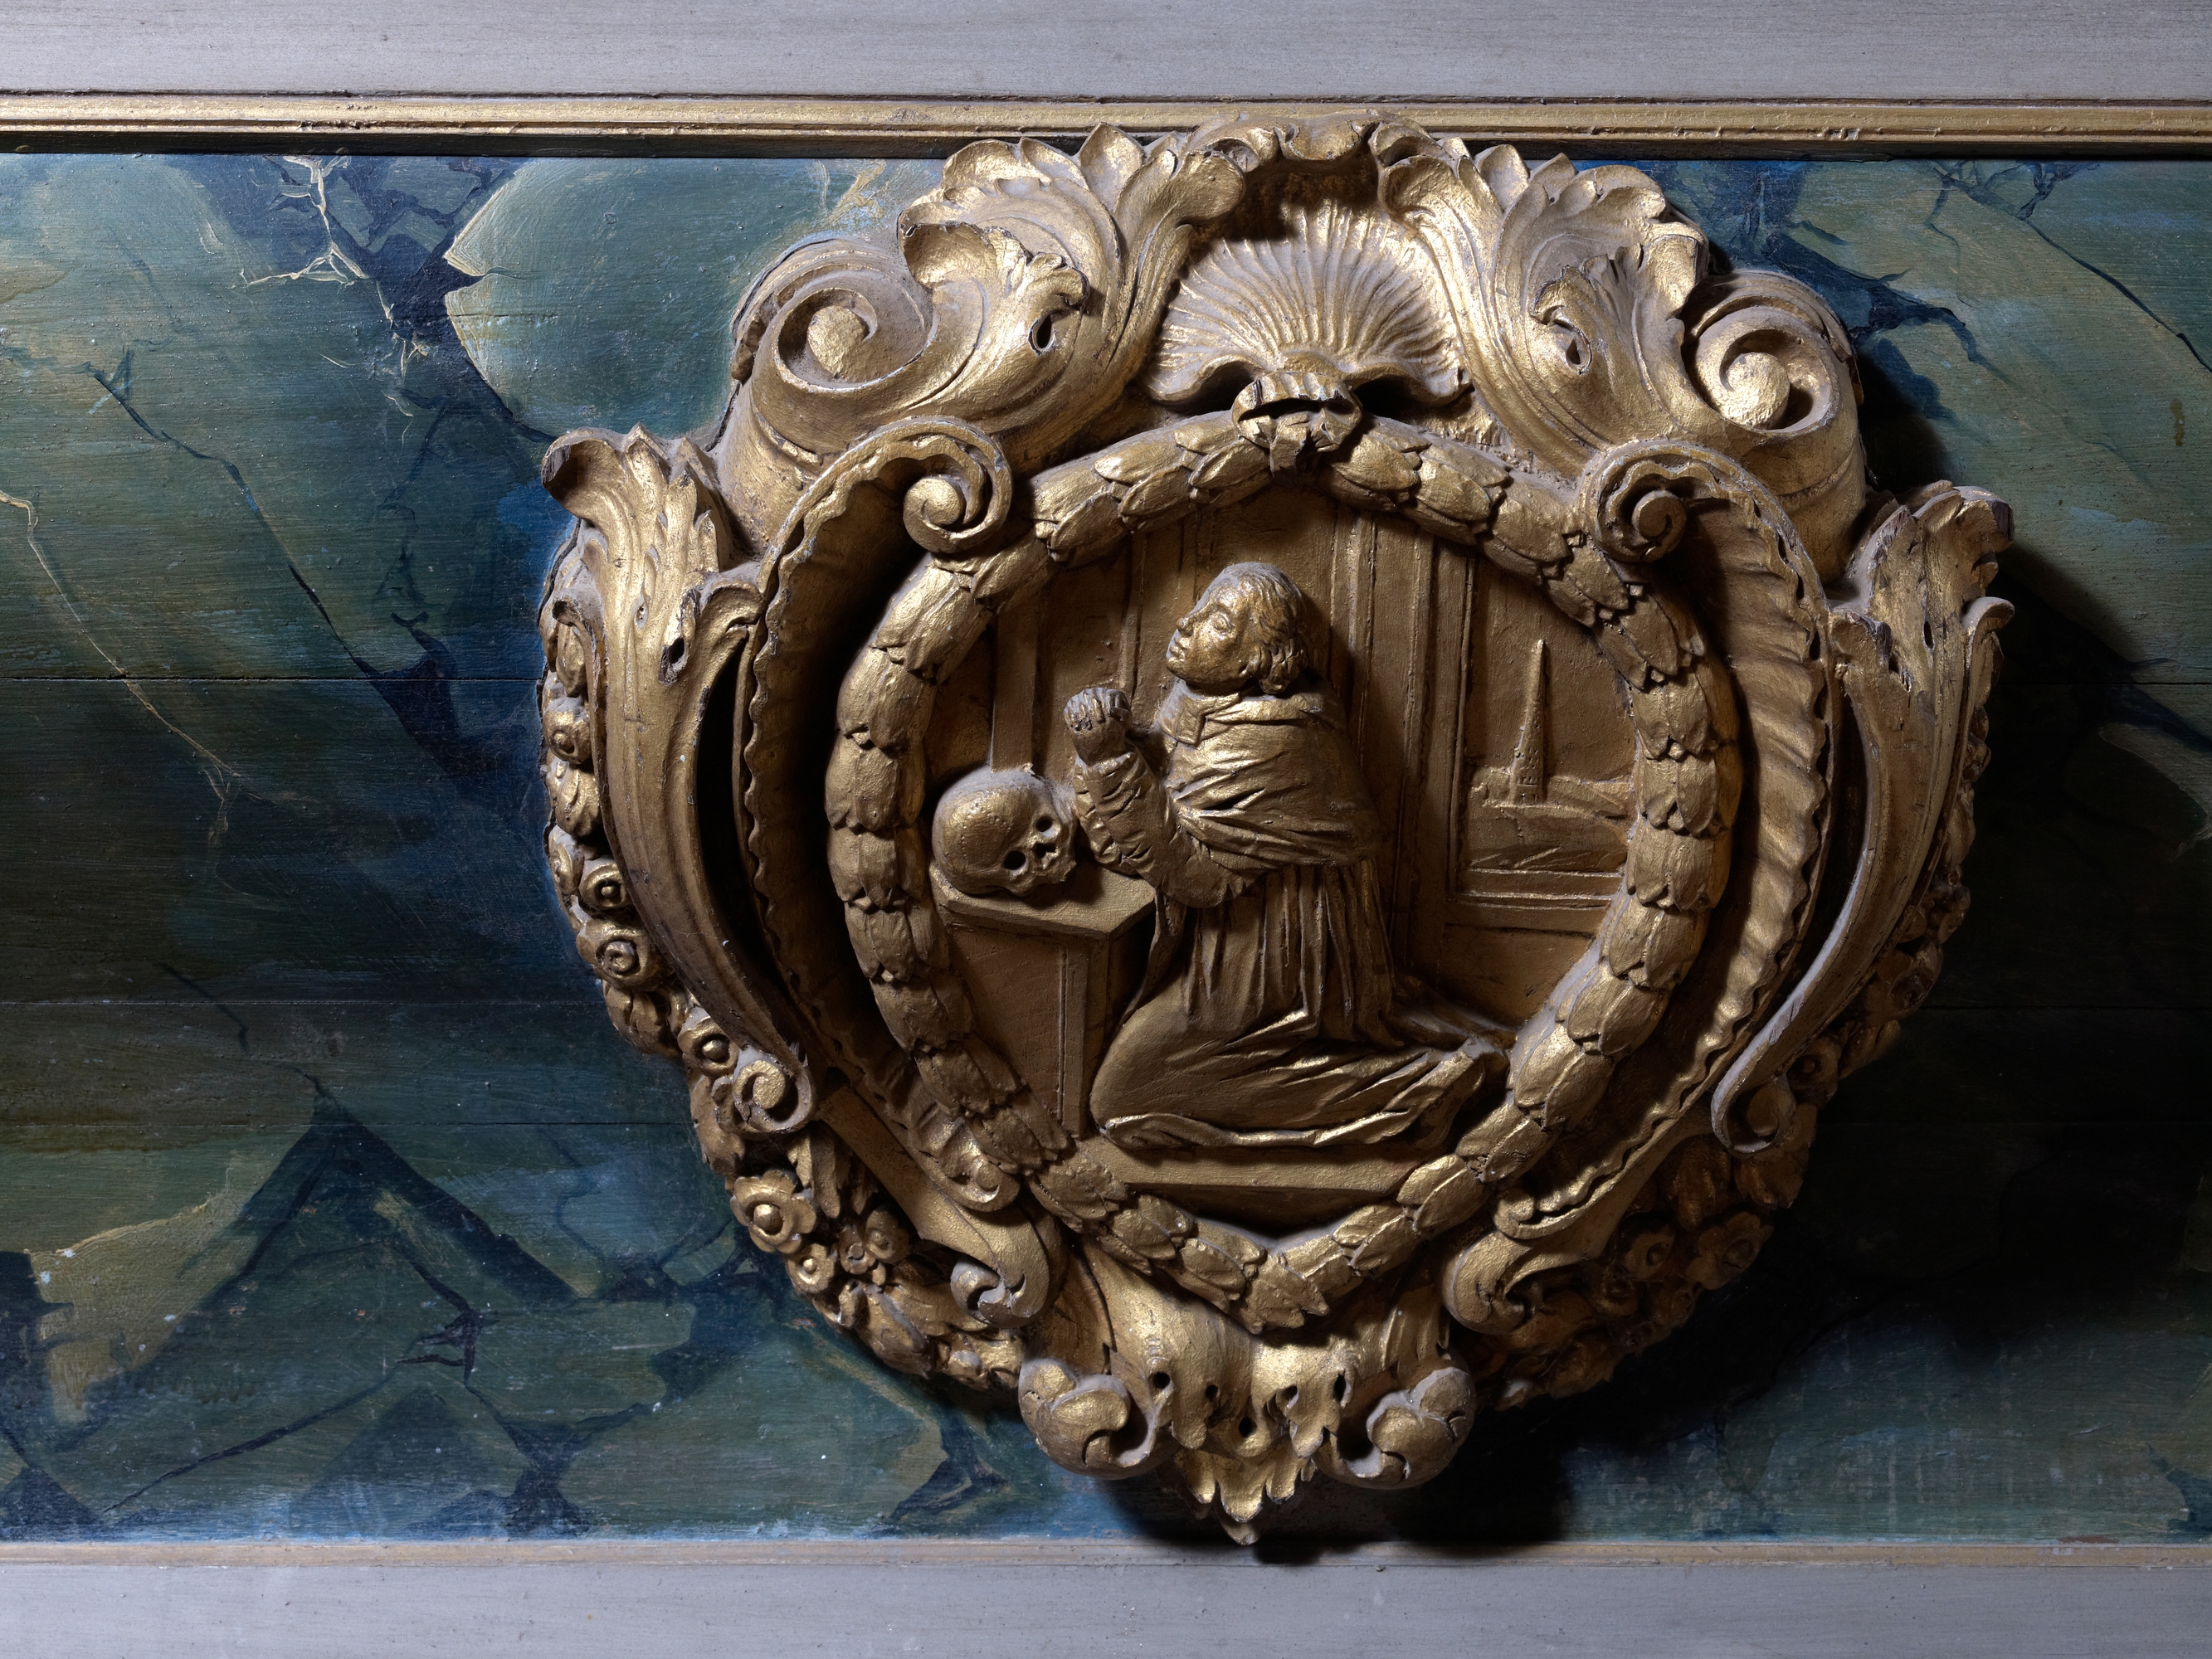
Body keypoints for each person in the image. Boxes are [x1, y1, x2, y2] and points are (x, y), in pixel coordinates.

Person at [1065, 562, 1503, 1150]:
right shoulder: (1203, 704)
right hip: (1219, 954)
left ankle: (1420, 1084)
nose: (1188, 623)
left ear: (1257, 661)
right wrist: (1099, 757)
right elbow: (1130, 847)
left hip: (1275, 971)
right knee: (1130, 1091)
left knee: (1122, 1099)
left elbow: (1196, 877)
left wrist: (1111, 763)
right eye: (1201, 605)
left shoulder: (1279, 739)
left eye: (1219, 621)